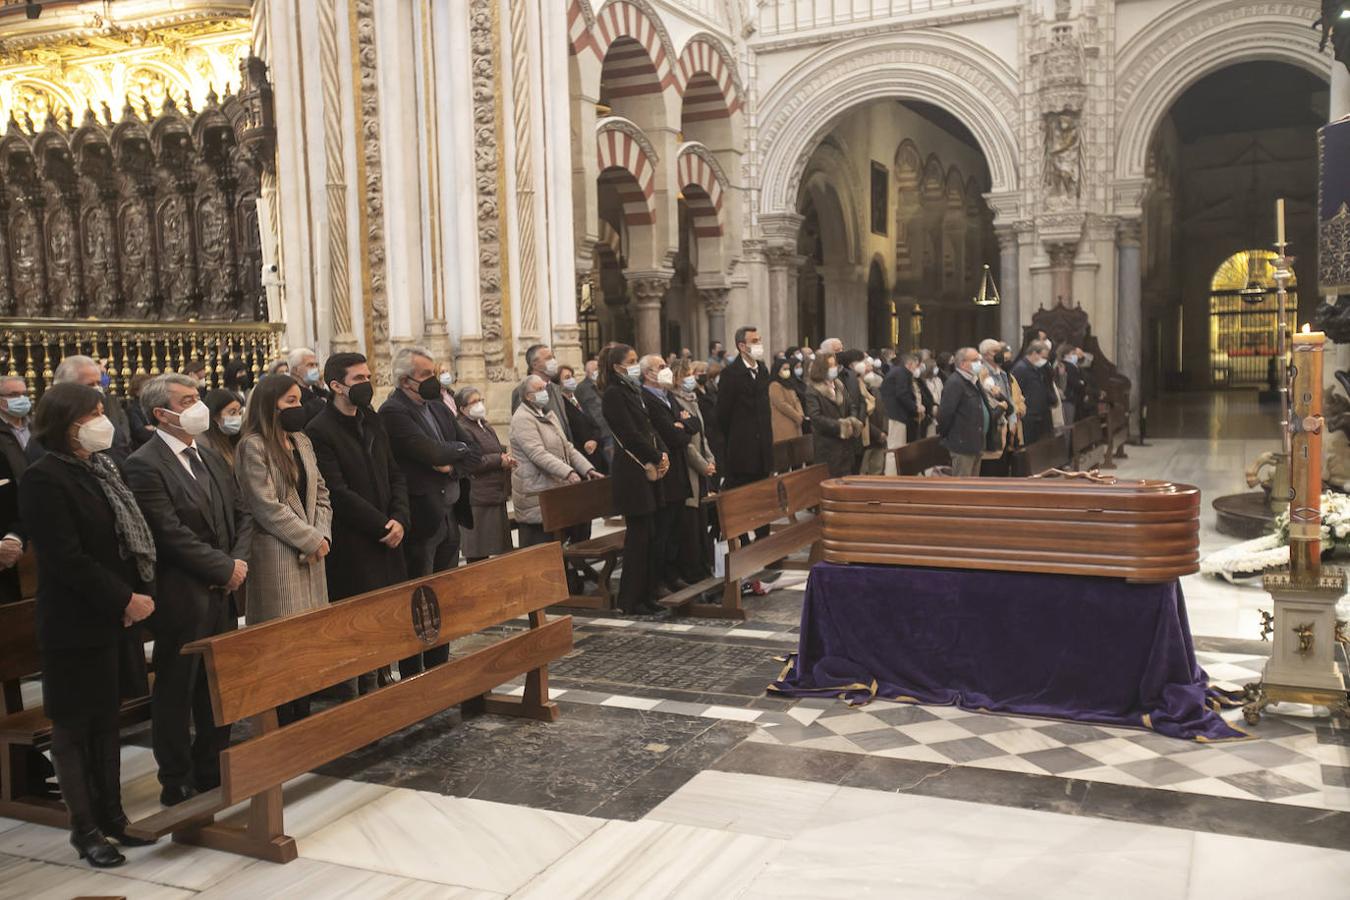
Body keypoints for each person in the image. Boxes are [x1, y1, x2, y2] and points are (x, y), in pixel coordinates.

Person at [19, 383, 159, 867]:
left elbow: (121, 541)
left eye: (103, 411)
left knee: (107, 722)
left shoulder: (102, 468)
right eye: (93, 413)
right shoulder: (44, 478)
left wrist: (129, 600)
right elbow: (66, 558)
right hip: (74, 624)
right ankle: (86, 830)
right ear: (66, 423)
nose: (104, 420)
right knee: (74, 728)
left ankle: (114, 818)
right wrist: (123, 598)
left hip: (112, 617)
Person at [124, 374, 252, 806]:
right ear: (163, 413)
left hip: (223, 587)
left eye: (198, 398)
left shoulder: (212, 456)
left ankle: (212, 764)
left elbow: (241, 514)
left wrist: (237, 563)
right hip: (182, 592)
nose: (198, 406)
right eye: (188, 400)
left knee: (217, 684)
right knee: (178, 687)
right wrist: (222, 567)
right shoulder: (144, 463)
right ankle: (175, 775)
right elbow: (167, 531)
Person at [305, 353, 408, 693]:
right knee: (361, 623)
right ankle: (364, 691)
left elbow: (395, 473)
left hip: (389, 533)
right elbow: (337, 491)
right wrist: (382, 526)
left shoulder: (371, 418)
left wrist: (399, 518)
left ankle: (384, 678)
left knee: (388, 617)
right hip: (356, 541)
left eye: (368, 376)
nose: (367, 384)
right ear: (336, 386)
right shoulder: (319, 430)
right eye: (359, 379)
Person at [236, 374, 332, 722]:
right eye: (290, 401)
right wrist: (310, 539)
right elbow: (266, 506)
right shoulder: (253, 446)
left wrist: (322, 537)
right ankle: (283, 722)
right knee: (283, 645)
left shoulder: (302, 440)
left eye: (298, 400)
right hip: (277, 553)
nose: (298, 407)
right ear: (269, 404)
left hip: (312, 553)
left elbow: (321, 493)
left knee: (309, 643)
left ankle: (304, 720)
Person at [379, 347, 481, 676]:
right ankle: (413, 672)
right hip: (423, 518)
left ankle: (439, 668)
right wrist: (449, 454)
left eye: (434, 374)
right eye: (426, 376)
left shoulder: (438, 406)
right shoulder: (394, 411)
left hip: (450, 512)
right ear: (405, 380)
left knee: (445, 597)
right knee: (419, 597)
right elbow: (429, 451)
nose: (433, 381)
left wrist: (448, 463)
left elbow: (473, 450)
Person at [601, 344, 668, 614]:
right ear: (618, 367)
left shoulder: (632, 390)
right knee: (639, 539)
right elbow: (629, 434)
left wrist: (661, 453)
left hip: (646, 467)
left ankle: (647, 594)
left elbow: (648, 428)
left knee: (651, 535)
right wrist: (654, 454)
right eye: (630, 361)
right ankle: (630, 600)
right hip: (632, 472)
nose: (634, 365)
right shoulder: (613, 394)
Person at [511, 373, 599, 548]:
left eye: (544, 388)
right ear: (528, 396)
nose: (545, 392)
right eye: (539, 389)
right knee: (543, 549)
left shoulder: (548, 415)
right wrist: (568, 472)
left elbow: (568, 447)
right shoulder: (522, 419)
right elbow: (537, 454)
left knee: (568, 536)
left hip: (554, 487)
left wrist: (586, 469)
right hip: (536, 490)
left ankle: (570, 572)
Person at [639, 355, 693, 595]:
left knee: (676, 529)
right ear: (648, 373)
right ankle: (659, 579)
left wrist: (684, 427)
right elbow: (672, 436)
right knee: (663, 529)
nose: (666, 370)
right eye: (661, 367)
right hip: (666, 471)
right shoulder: (647, 399)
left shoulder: (669, 395)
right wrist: (680, 427)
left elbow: (694, 425)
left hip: (680, 469)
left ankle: (673, 573)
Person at [715, 326, 773, 525]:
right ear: (742, 346)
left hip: (763, 449)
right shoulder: (731, 374)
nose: (759, 344)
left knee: (763, 503)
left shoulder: (763, 369)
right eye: (755, 341)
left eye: (759, 340)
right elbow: (722, 415)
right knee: (743, 502)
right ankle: (744, 544)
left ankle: (763, 542)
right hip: (742, 449)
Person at [455, 386, 515, 562]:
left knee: (497, 550)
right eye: (474, 402)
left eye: (480, 400)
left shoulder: (485, 425)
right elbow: (471, 461)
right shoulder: (462, 428)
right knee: (478, 553)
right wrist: (499, 459)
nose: (479, 404)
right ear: (462, 408)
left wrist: (506, 457)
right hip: (478, 497)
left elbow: (494, 450)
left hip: (494, 492)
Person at [670, 360, 715, 582]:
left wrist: (710, 459)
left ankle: (704, 567)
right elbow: (686, 442)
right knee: (690, 524)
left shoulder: (693, 400)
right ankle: (693, 571)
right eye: (687, 374)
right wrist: (702, 464)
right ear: (677, 378)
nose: (692, 378)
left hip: (701, 467)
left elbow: (701, 435)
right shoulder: (675, 402)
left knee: (701, 521)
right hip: (688, 470)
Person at [49, 355, 131, 466]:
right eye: (90, 385)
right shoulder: (54, 434)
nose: (97, 389)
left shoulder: (107, 408)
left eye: (99, 383)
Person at [804, 352, 862, 478]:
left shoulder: (839, 385)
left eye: (834, 364)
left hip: (846, 445)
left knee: (847, 479)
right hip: (828, 445)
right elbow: (816, 417)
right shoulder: (813, 390)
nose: (834, 368)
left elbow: (851, 405)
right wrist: (841, 426)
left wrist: (852, 420)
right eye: (830, 365)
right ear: (822, 368)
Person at [938, 348, 989, 477]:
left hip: (976, 443)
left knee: (973, 487)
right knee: (961, 487)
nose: (979, 363)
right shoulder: (955, 382)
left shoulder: (973, 380)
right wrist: (949, 436)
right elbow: (945, 414)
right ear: (962, 363)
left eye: (979, 360)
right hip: (962, 445)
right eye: (975, 360)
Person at [509, 344, 573, 442]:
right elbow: (523, 427)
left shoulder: (555, 388)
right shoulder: (522, 391)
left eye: (553, 357)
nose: (553, 361)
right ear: (535, 364)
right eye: (548, 358)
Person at [558, 364, 607, 473]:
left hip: (596, 451)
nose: (571, 380)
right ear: (558, 382)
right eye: (567, 378)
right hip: (581, 456)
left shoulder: (576, 399)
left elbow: (594, 424)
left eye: (572, 376)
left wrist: (594, 439)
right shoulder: (561, 405)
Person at [880, 353, 922, 472]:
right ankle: (892, 476)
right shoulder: (901, 373)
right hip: (896, 416)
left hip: (898, 415)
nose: (917, 368)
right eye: (916, 365)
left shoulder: (899, 372)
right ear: (909, 364)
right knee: (896, 448)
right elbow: (902, 394)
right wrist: (915, 407)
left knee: (899, 447)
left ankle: (898, 474)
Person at [1012, 340, 1056, 445]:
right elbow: (1016, 392)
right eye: (1043, 357)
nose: (1045, 360)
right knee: (1030, 447)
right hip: (1029, 416)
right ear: (1034, 353)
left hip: (1040, 414)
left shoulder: (1038, 368)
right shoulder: (1020, 369)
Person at [574, 357, 612, 463]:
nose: (598, 372)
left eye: (598, 368)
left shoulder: (603, 384)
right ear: (586, 372)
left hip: (610, 430)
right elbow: (587, 412)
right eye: (594, 369)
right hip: (601, 433)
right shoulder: (582, 388)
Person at [199, 388, 244, 469]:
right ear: (215, 416)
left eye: (239, 412)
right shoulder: (204, 444)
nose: (238, 417)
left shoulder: (237, 440)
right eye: (232, 412)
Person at [768, 356, 805, 443]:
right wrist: (797, 416)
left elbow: (796, 400)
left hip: (795, 422)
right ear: (777, 370)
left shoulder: (789, 384)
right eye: (784, 369)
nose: (787, 371)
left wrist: (800, 414)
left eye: (788, 369)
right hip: (783, 423)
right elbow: (782, 404)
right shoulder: (774, 385)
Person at [860, 365, 888, 474]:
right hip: (868, 438)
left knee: (878, 470)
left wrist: (885, 431)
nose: (870, 374)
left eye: (871, 370)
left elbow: (885, 411)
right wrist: (877, 433)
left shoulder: (877, 390)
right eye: (867, 371)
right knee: (863, 471)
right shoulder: (858, 392)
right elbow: (863, 417)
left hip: (880, 438)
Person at [288, 347, 328, 423]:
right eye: (310, 365)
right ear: (296, 370)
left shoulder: (318, 390)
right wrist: (320, 403)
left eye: (316, 365)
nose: (315, 369)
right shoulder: (290, 393)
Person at [124, 373, 155, 449]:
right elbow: (141, 433)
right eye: (146, 388)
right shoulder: (132, 409)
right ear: (137, 391)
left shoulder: (154, 405)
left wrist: (154, 428)